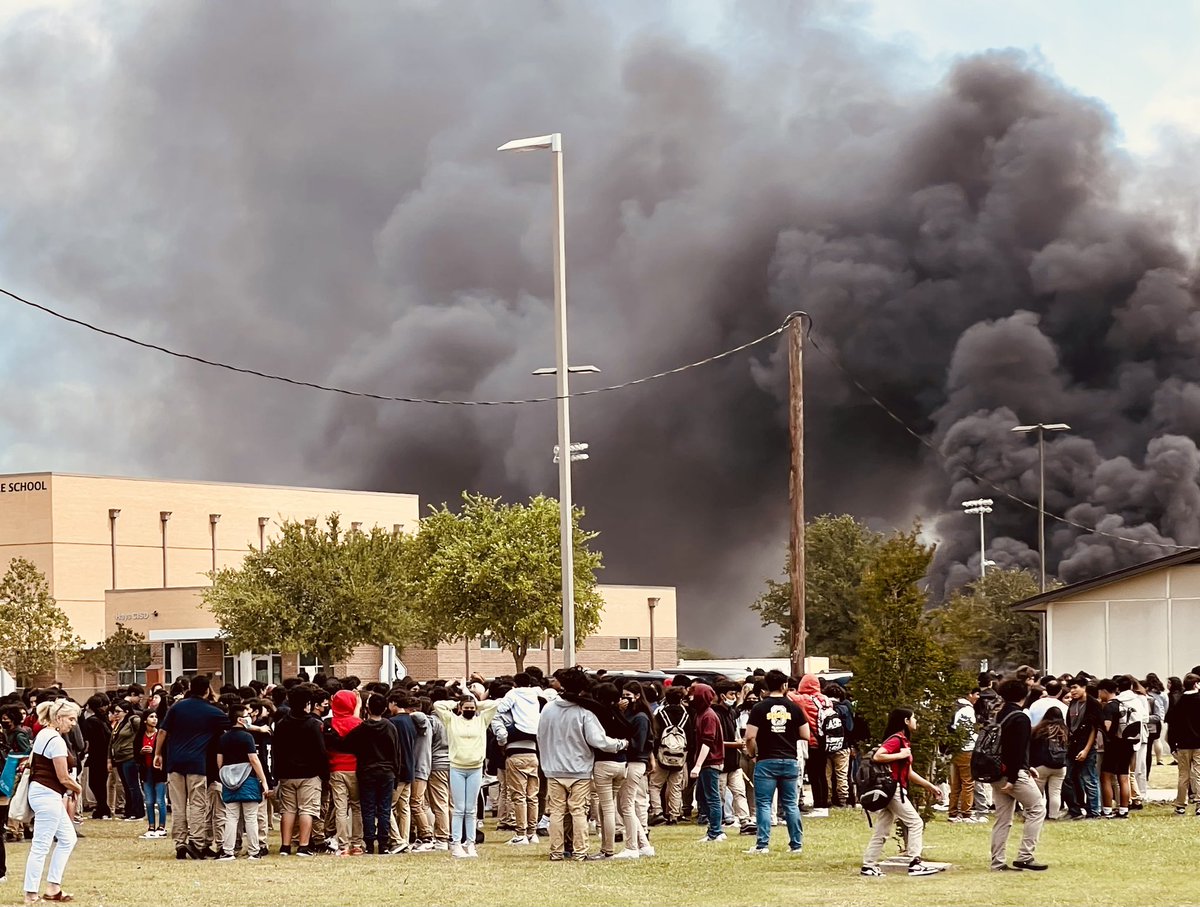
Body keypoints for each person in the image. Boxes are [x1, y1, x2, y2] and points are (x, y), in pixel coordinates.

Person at [538, 667, 627, 862]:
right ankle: (580, 851)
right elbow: (598, 740)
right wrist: (621, 743)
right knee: (579, 812)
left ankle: (556, 851)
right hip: (579, 769)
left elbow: (541, 736)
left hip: (553, 768)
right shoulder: (584, 712)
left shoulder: (548, 708)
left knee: (556, 812)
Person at [860, 707, 943, 877]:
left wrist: (929, 786)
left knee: (882, 830)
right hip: (893, 789)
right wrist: (900, 754)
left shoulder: (903, 741)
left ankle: (868, 865)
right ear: (906, 721)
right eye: (913, 718)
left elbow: (909, 772)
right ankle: (915, 863)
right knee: (915, 823)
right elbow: (878, 756)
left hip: (892, 789)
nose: (916, 721)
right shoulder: (897, 740)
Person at [155, 675, 231, 860]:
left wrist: (158, 753)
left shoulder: (177, 707)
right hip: (197, 763)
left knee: (178, 805)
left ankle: (180, 843)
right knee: (198, 805)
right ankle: (197, 843)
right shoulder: (211, 711)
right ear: (207, 690)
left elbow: (163, 731)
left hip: (174, 762)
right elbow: (233, 725)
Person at [23, 699, 83, 905]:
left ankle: (53, 888)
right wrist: (78, 788)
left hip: (44, 793)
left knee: (67, 838)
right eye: (71, 718)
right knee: (41, 845)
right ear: (58, 718)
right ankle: (31, 893)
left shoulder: (43, 734)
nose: (73, 723)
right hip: (47, 794)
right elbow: (63, 777)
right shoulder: (55, 739)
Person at [742, 669, 807, 857]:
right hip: (789, 759)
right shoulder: (794, 708)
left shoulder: (759, 708)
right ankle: (796, 844)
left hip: (766, 760)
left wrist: (753, 753)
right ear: (785, 685)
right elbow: (805, 734)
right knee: (790, 804)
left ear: (766, 687)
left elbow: (750, 736)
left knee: (763, 803)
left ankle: (762, 844)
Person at [990, 678, 1047, 870]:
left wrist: (1025, 765)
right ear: (1025, 695)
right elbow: (1017, 749)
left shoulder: (1000, 715)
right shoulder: (1021, 717)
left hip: (997, 771)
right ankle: (1025, 856)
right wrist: (1015, 777)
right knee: (1037, 808)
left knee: (1003, 819)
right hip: (1012, 774)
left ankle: (997, 862)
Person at [433, 691, 499, 858]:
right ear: (460, 709)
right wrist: (456, 703)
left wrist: (476, 703)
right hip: (457, 767)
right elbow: (438, 706)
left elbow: (494, 704)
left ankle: (470, 843)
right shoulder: (451, 720)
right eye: (466, 707)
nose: (469, 710)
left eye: (472, 708)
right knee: (459, 808)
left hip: (475, 768)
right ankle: (456, 843)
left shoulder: (481, 720)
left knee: (471, 809)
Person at [341, 694, 402, 855]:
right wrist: (396, 773)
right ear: (384, 708)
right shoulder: (390, 727)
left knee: (367, 808)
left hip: (367, 771)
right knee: (384, 808)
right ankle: (383, 843)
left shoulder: (362, 728)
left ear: (367, 708)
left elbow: (346, 744)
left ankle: (369, 843)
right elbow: (396, 752)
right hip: (387, 772)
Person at [271, 686, 328, 856]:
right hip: (309, 774)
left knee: (288, 810)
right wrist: (324, 775)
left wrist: (277, 773)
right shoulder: (314, 724)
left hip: (286, 773)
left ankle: (285, 846)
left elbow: (277, 750)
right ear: (308, 704)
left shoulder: (281, 724)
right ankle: (303, 845)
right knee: (307, 809)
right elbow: (321, 751)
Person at [493, 673, 549, 846]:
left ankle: (521, 833)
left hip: (515, 753)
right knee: (532, 796)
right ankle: (532, 832)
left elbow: (499, 710)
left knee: (519, 796)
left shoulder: (512, 696)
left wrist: (502, 741)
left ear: (515, 684)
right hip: (533, 752)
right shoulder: (536, 695)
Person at [215, 703, 268, 861]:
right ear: (239, 719)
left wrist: (225, 775)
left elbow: (219, 761)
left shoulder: (223, 738)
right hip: (248, 780)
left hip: (229, 780)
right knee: (251, 816)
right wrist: (263, 780)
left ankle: (228, 851)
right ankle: (254, 851)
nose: (249, 717)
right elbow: (253, 759)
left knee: (231, 817)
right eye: (247, 714)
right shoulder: (247, 737)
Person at [613, 681, 654, 859]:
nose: (624, 699)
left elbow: (638, 744)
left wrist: (620, 745)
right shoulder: (631, 715)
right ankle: (643, 844)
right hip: (631, 762)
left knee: (627, 805)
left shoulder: (640, 718)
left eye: (628, 696)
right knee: (625, 806)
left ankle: (632, 846)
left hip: (634, 762)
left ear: (637, 696)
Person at [324, 689, 364, 856]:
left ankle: (343, 845)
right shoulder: (359, 724)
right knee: (356, 807)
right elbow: (354, 721)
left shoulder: (328, 723)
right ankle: (357, 844)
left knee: (340, 808)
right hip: (355, 768)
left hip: (335, 768)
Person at [688, 683, 726, 843]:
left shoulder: (708, 716)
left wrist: (698, 764)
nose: (690, 697)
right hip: (707, 762)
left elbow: (707, 741)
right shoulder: (701, 714)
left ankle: (716, 832)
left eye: (692, 694)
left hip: (710, 762)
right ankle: (714, 830)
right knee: (703, 798)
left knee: (712, 798)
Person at [648, 687, 690, 826]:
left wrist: (654, 753)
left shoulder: (661, 715)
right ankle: (674, 815)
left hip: (662, 754)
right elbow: (691, 738)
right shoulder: (686, 716)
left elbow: (655, 734)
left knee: (655, 785)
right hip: (680, 756)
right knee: (675, 786)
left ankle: (658, 812)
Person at [1063, 675, 1102, 820]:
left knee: (1089, 778)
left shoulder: (1092, 704)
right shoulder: (1073, 703)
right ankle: (1075, 809)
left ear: (1084, 687)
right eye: (1070, 688)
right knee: (1068, 778)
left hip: (1087, 746)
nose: (1072, 691)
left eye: (1075, 687)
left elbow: (1094, 728)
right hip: (1072, 746)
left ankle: (1094, 812)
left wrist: (1086, 749)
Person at [1165, 672, 1200, 816]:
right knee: (1198, 774)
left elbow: (1172, 726)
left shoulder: (1179, 702)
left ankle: (1180, 804)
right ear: (1196, 684)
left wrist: (1173, 745)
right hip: (1199, 744)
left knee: (1183, 775)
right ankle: (1199, 803)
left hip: (1183, 744)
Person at [1097, 678, 1132, 819]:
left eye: (1100, 691)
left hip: (1113, 745)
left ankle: (1107, 809)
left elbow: (1107, 726)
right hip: (1127, 743)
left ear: (1105, 691)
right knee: (1124, 777)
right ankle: (1124, 809)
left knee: (1106, 776)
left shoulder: (1110, 706)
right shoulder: (1123, 704)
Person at [108, 700, 144, 823]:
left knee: (133, 785)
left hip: (130, 756)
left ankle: (138, 812)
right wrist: (109, 759)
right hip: (119, 757)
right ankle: (129, 811)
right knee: (126, 786)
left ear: (126, 711)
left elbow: (141, 735)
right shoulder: (118, 724)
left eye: (118, 711)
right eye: (114, 712)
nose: (115, 714)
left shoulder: (133, 720)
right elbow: (112, 741)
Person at [1030, 710, 1068, 821]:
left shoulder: (1039, 730)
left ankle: (1033, 814)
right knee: (1055, 792)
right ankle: (1053, 816)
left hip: (1041, 766)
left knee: (1037, 793)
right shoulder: (1064, 731)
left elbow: (1032, 748)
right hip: (1060, 766)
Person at [948, 690, 979, 823]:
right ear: (969, 694)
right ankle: (966, 813)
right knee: (968, 783)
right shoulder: (968, 710)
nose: (978, 697)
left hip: (955, 748)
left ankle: (953, 812)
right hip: (967, 748)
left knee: (956, 784)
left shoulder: (955, 707)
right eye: (976, 694)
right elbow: (969, 730)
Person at [138, 710, 168, 838]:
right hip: (146, 770)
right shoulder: (140, 736)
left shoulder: (160, 735)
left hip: (159, 771)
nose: (154, 719)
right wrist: (141, 752)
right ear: (145, 720)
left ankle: (161, 826)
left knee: (160, 800)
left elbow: (166, 752)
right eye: (151, 717)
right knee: (149, 800)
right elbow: (135, 753)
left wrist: (156, 752)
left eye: (156, 717)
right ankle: (151, 825)